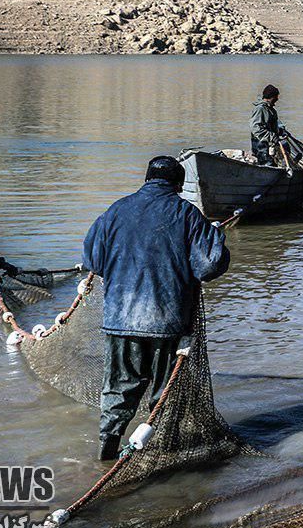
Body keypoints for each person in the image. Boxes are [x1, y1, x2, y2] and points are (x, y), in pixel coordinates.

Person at [83, 156, 230, 461]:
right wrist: (216, 237)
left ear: (147, 179)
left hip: (120, 320)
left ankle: (107, 447)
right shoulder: (187, 214)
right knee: (165, 394)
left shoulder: (115, 211)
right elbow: (208, 266)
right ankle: (159, 452)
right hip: (168, 322)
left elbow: (94, 261)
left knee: (119, 388)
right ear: (178, 185)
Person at [250, 84, 290, 168]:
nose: (277, 99)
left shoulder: (271, 110)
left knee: (285, 144)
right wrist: (271, 137)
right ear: (271, 97)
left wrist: (280, 131)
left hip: (269, 144)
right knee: (267, 165)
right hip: (261, 146)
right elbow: (255, 128)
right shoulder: (260, 109)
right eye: (276, 97)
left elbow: (271, 126)